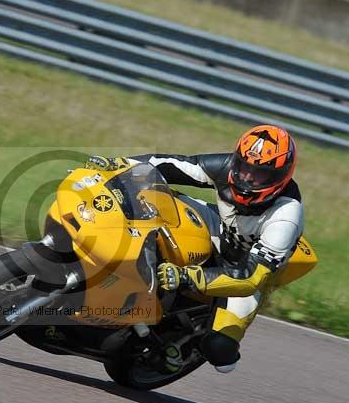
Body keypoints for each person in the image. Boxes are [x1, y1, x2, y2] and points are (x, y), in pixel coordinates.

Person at [85, 124, 303, 373]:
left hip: (245, 267)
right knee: (151, 196)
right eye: (244, 166)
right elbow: (172, 165)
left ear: (281, 177)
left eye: (260, 174)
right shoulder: (227, 167)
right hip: (219, 227)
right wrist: (121, 165)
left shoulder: (286, 215)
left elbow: (252, 276)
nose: (248, 177)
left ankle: (174, 344)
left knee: (221, 352)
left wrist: (188, 276)